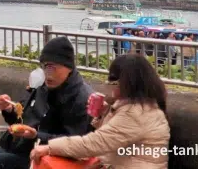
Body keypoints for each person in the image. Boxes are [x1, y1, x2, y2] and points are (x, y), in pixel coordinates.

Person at [0, 36, 94, 169]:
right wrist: (9, 109)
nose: (47, 73)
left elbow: (75, 141)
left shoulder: (81, 98)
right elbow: (22, 119)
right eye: (44, 67)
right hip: (27, 148)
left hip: (53, 157)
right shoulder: (43, 88)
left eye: (52, 67)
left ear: (68, 67)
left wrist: (37, 135)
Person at [32, 54, 170, 169]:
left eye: (113, 81)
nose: (110, 86)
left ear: (127, 83)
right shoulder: (140, 106)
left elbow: (95, 143)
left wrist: (50, 147)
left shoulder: (135, 113)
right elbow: (113, 137)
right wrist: (104, 113)